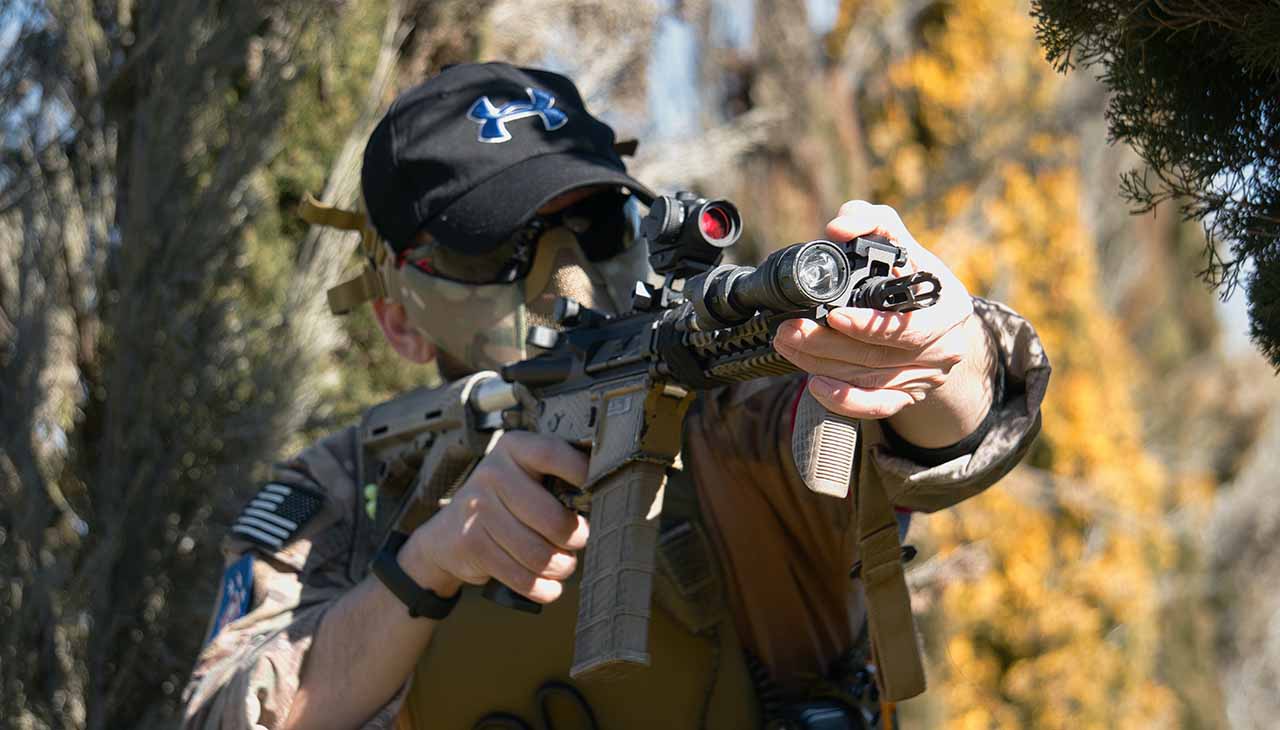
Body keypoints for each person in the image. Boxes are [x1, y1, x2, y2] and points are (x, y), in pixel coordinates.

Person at [181, 62, 1049, 730]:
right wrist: (426, 565)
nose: (567, 273)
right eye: (499, 250)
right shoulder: (349, 489)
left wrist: (948, 352)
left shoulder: (727, 411)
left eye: (598, 224)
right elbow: (227, 711)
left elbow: (926, 429)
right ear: (400, 321)